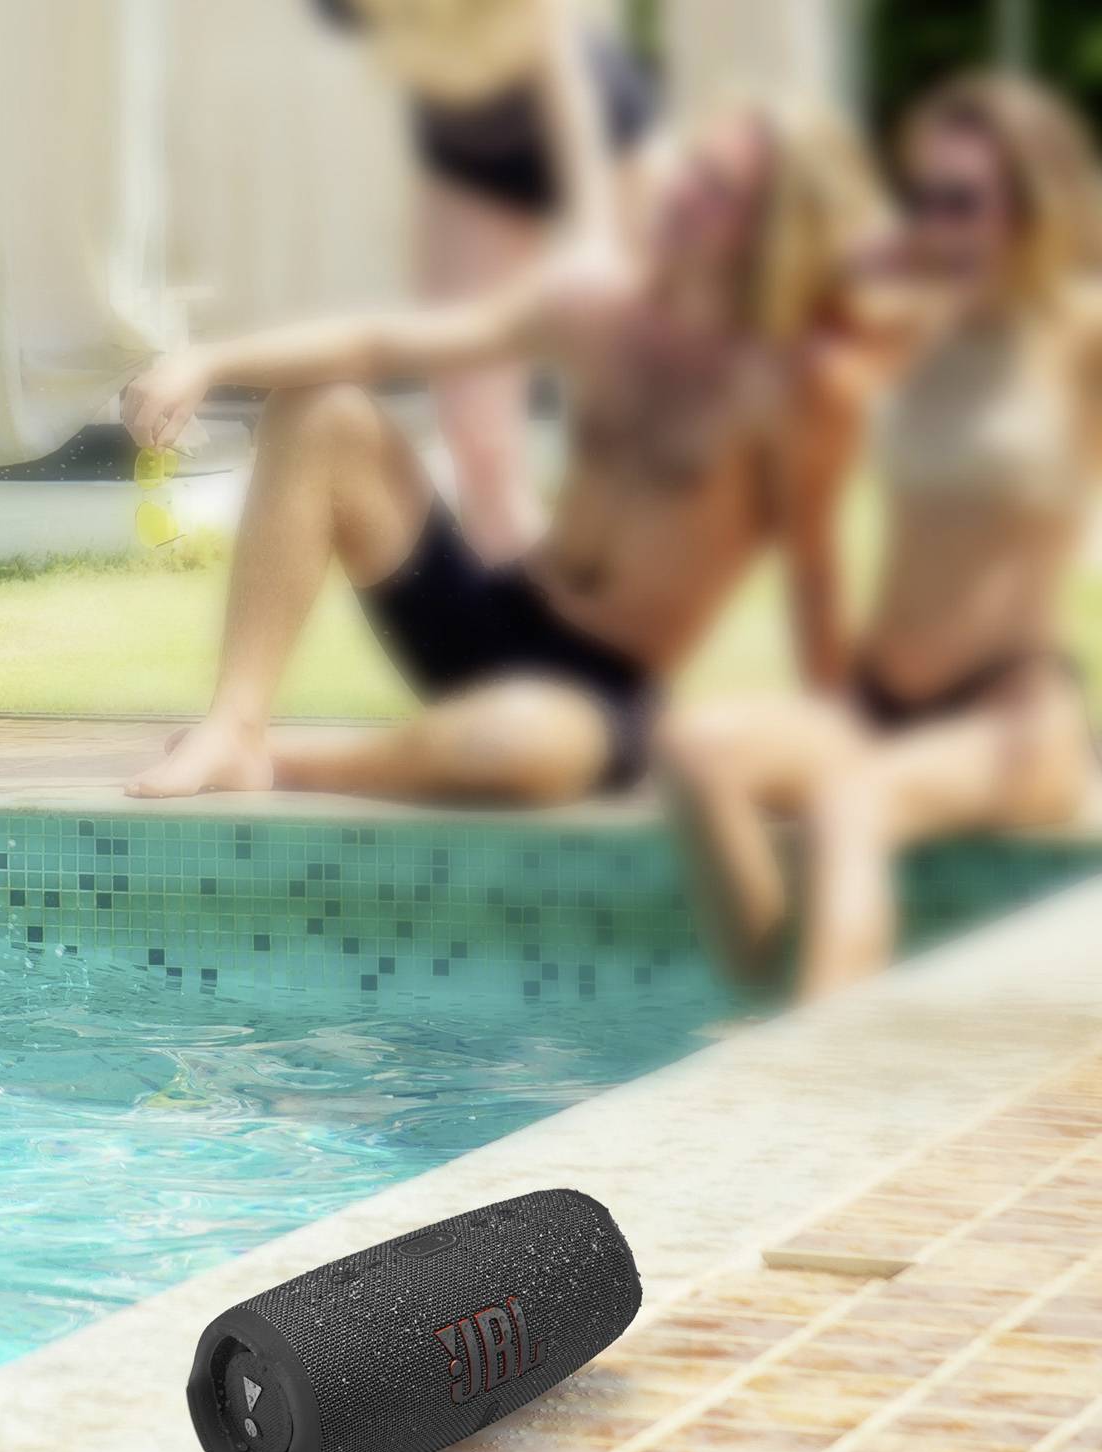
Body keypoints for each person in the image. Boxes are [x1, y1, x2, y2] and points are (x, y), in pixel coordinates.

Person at [117, 101, 883, 804]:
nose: (680, 191)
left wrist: (833, 745)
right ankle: (234, 724)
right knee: (323, 411)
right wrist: (208, 361)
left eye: (714, 186)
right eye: (691, 168)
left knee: (514, 751)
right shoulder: (608, 305)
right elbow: (379, 342)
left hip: (598, 693)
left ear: (772, 225)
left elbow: (815, 572)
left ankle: (284, 761)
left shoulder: (798, 395)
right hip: (496, 613)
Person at [660, 75, 1100, 1001]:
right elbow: (799, 304)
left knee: (848, 805)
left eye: (964, 201)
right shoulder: (909, 333)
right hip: (875, 702)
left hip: (1010, 718)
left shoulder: (1078, 338)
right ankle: (764, 1025)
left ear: (1030, 205)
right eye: (925, 198)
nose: (939, 225)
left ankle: (809, 1100)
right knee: (697, 748)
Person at [310, 0, 658, 561]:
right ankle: (521, 606)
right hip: (471, 156)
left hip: (596, 130)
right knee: (477, 435)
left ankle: (624, 585)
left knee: (628, 394)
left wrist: (595, 232)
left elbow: (556, 58)